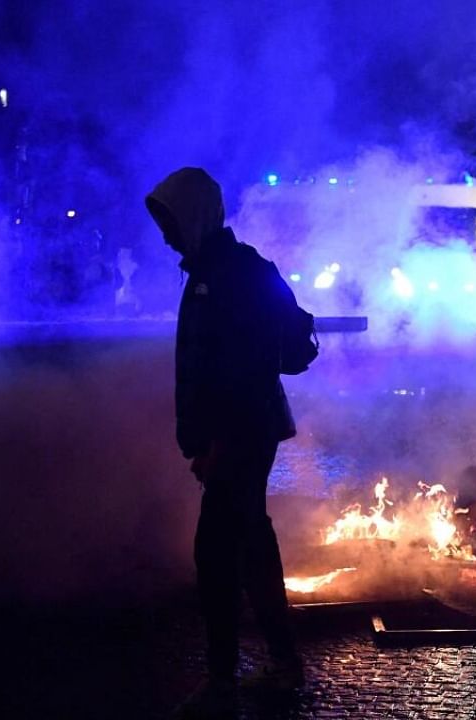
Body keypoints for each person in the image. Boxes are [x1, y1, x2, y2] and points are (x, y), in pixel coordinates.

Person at [146, 167, 305, 717]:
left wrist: (217, 444)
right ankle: (277, 663)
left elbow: (244, 370)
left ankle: (227, 677)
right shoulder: (223, 269)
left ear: (193, 216)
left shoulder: (228, 273)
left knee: (217, 554)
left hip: (240, 435)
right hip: (243, 432)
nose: (164, 234)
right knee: (247, 544)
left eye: (169, 221)